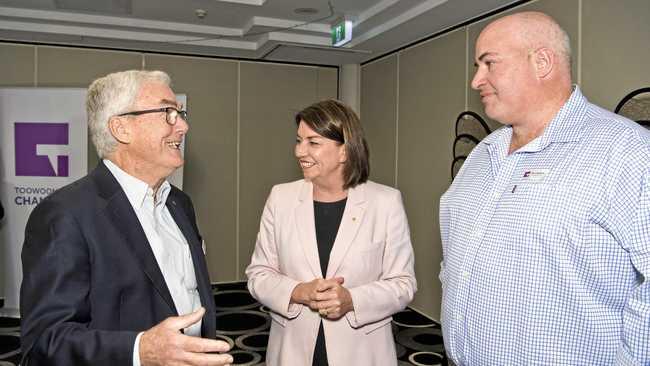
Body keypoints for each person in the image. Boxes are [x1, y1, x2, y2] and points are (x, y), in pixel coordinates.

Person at [439, 11, 650, 365]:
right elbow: (454, 259)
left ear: (542, 61)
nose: (477, 80)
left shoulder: (627, 152)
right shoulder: (482, 156)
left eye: (489, 63)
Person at [20, 70, 233, 366]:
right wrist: (140, 350)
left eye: (180, 113)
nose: (183, 126)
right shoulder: (64, 214)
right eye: (168, 113)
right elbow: (46, 341)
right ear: (121, 128)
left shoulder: (179, 203)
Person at [246, 100, 417, 366]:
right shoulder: (281, 198)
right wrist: (298, 291)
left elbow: (403, 284)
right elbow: (258, 274)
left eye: (313, 143)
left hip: (361, 352)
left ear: (344, 151)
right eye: (299, 141)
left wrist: (352, 300)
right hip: (292, 349)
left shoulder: (385, 202)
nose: (300, 151)